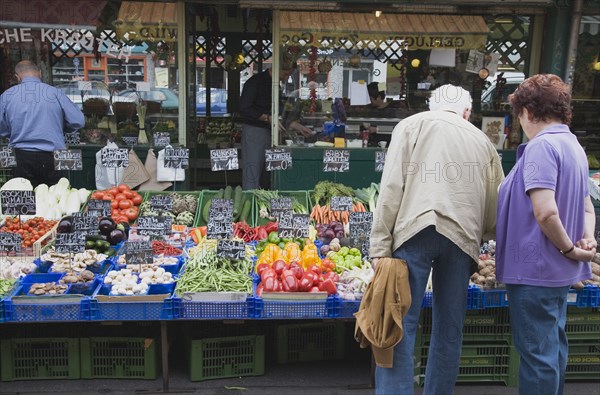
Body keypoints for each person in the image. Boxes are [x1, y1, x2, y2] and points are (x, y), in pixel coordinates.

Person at [369, 84, 504, 395]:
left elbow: (391, 187)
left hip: (414, 230)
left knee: (399, 325)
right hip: (461, 239)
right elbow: (496, 203)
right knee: (449, 330)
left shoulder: (411, 126)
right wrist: (480, 234)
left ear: (432, 105)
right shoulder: (483, 141)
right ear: (467, 112)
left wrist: (379, 246)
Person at [495, 74, 596, 395]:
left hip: (534, 269)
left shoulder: (542, 147)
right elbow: (586, 208)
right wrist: (586, 241)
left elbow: (546, 211)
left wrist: (569, 248)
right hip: (555, 271)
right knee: (551, 350)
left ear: (526, 110)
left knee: (537, 356)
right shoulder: (573, 146)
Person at [0, 60, 84, 187]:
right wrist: (61, 127)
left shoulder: (7, 95)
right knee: (58, 201)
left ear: (17, 77)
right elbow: (78, 121)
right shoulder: (55, 93)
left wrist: (10, 131)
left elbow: (2, 127)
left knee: (24, 202)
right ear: (40, 73)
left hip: (21, 157)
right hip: (55, 156)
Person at [239, 58, 311, 190]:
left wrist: (296, 125)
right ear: (276, 69)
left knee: (267, 170)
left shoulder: (276, 84)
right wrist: (268, 118)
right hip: (254, 131)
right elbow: (244, 108)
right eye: (285, 74)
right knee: (253, 168)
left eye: (289, 74)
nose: (287, 77)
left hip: (270, 132)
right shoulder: (255, 82)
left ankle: (264, 201)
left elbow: (278, 112)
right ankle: (249, 198)